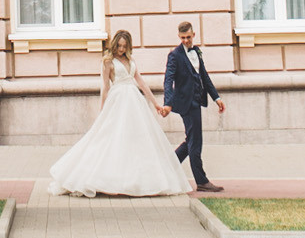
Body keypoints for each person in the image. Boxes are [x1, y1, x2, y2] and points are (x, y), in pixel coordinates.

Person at [46, 30, 195, 198]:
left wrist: (155, 104)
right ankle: (98, 178)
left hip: (135, 101)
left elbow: (141, 82)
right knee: (110, 138)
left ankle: (135, 180)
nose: (121, 49)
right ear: (114, 44)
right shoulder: (108, 62)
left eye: (124, 46)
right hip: (117, 101)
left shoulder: (131, 60)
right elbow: (105, 87)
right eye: (119, 46)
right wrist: (102, 110)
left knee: (137, 139)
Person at [162, 20, 226, 193]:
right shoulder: (174, 55)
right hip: (185, 104)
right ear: (178, 36)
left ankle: (166, 167)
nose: (185, 41)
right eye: (182, 38)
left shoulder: (196, 52)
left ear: (194, 35)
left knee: (190, 140)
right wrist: (167, 103)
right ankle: (201, 181)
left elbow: (204, 76)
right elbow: (168, 81)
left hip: (197, 101)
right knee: (195, 141)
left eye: (188, 37)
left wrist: (216, 98)